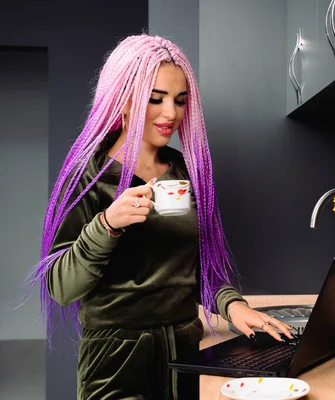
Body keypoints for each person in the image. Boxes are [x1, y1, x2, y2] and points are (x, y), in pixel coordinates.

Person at [27, 34, 292, 400]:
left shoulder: (185, 171)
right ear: (122, 98)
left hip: (184, 354)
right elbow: (61, 287)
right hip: (115, 361)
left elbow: (200, 265)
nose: (171, 113)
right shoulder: (87, 177)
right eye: (156, 99)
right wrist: (106, 225)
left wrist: (232, 304)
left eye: (180, 101)